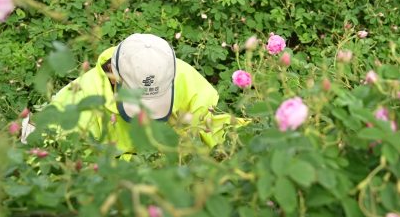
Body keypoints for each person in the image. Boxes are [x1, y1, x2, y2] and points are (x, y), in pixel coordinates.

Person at [22, 33, 245, 155]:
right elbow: (54, 161)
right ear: (113, 76)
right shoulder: (78, 102)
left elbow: (215, 125)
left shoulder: (181, 74)